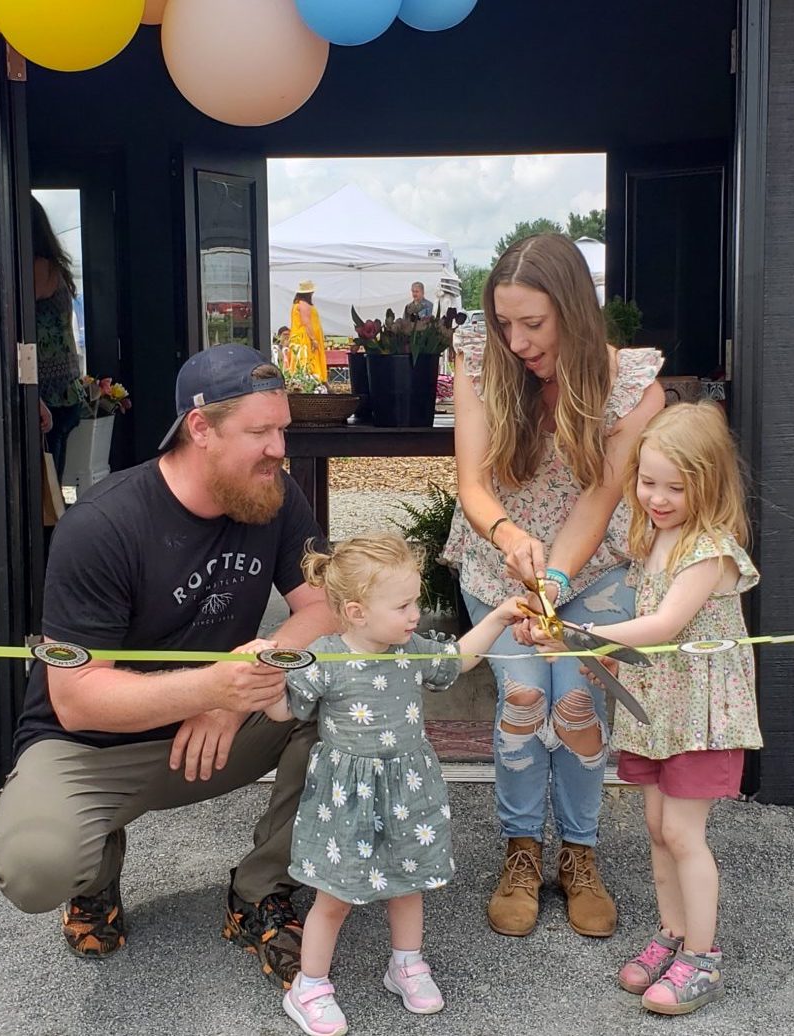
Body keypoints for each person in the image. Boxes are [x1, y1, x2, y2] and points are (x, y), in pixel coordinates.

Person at [0, 345, 336, 991]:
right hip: (95, 747)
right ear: (200, 429)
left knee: (348, 705)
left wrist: (232, 697)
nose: (278, 448)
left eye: (281, 428)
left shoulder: (275, 495)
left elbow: (323, 608)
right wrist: (208, 687)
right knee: (35, 867)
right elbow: (77, 699)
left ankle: (262, 891)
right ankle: (93, 875)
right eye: (260, 432)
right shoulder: (102, 525)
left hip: (219, 729)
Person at [441, 232, 665, 940]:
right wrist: (510, 538)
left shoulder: (635, 386)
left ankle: (579, 853)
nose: (516, 339)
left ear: (573, 308)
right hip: (499, 559)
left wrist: (558, 575)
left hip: (590, 565)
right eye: (505, 322)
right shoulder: (479, 360)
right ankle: (519, 849)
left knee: (574, 699)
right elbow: (471, 482)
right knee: (525, 693)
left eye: (532, 323)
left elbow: (601, 500)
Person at [526, 401, 763, 1016]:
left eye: (673, 487)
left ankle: (703, 957)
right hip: (660, 708)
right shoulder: (655, 537)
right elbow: (647, 634)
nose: (655, 497)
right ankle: (673, 935)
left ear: (707, 483)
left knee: (684, 834)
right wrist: (598, 654)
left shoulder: (709, 549)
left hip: (699, 714)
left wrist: (584, 639)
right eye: (647, 481)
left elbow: (665, 623)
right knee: (657, 830)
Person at [259, 533, 524, 1036]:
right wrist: (265, 673)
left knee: (409, 882)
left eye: (415, 601)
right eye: (404, 604)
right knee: (334, 896)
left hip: (406, 787)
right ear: (356, 612)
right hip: (346, 794)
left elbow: (456, 661)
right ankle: (309, 986)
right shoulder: (325, 656)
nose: (416, 613)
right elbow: (282, 709)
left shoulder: (411, 648)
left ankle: (406, 963)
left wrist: (497, 618)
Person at [32, 198, 83, 478]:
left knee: (43, 489)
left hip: (48, 395)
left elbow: (14, 324)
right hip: (65, 390)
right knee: (51, 482)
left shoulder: (37, 268)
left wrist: (33, 397)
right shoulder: (54, 267)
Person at [288, 280, 328, 382]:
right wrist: (313, 339)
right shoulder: (303, 304)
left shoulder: (298, 303)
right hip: (305, 338)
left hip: (302, 337)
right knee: (309, 360)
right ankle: (312, 380)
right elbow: (306, 323)